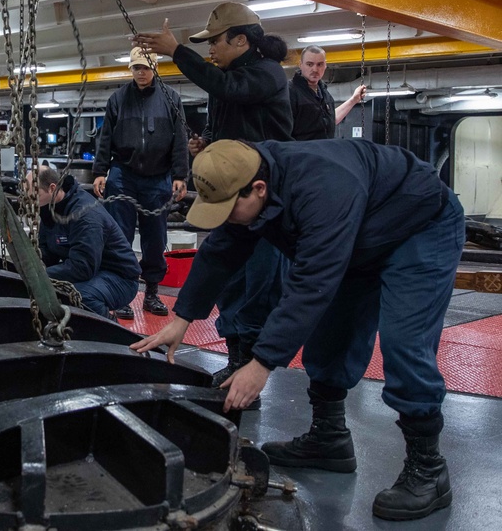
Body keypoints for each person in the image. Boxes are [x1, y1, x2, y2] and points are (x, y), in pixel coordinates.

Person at [133, 139, 463, 521]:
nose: (224, 218)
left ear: (258, 189)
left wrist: (261, 364)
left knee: (403, 341)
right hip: (361, 235)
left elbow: (310, 284)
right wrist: (182, 318)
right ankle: (329, 438)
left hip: (419, 229)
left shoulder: (323, 189)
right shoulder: (251, 176)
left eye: (228, 208)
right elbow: (221, 249)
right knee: (327, 334)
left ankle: (429, 469)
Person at [133, 2, 292, 388]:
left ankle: (251, 372)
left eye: (215, 42)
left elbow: (230, 89)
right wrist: (207, 143)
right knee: (232, 281)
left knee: (259, 285)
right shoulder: (230, 77)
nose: (211, 50)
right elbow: (230, 110)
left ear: (240, 40)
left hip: (263, 201)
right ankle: (237, 361)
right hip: (233, 197)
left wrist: (176, 51)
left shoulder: (267, 73)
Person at [92, 47, 188, 320]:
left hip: (158, 177)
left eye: (145, 68)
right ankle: (120, 294)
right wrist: (101, 171)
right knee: (119, 237)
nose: (141, 72)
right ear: (131, 69)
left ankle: (152, 293)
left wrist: (180, 176)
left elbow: (180, 140)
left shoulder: (171, 99)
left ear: (154, 67)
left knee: (155, 239)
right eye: (136, 68)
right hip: (123, 174)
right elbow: (105, 138)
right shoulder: (118, 99)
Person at [30, 166, 141, 319]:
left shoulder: (85, 215)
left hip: (120, 278)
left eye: (34, 195)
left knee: (79, 295)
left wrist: (40, 275)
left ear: (52, 188)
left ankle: (111, 331)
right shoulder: (49, 209)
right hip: (93, 271)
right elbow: (47, 251)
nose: (30, 201)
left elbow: (82, 267)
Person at [290, 45, 367, 140]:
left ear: (325, 65)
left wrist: (353, 100)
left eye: (319, 64)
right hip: (301, 152)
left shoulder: (324, 93)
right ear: (300, 64)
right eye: (310, 64)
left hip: (324, 151)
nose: (315, 69)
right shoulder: (290, 92)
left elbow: (331, 120)